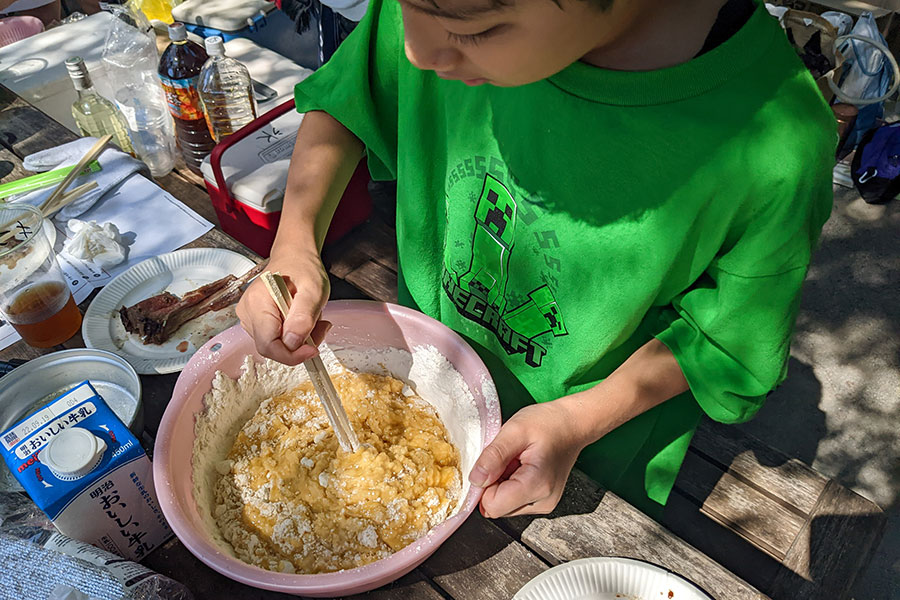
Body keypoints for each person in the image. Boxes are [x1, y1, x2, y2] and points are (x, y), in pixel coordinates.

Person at [236, 0, 835, 518]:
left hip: (583, 454)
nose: (416, 51)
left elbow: (723, 345)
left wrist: (576, 422)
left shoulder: (776, 145)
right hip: (425, 377)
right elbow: (349, 100)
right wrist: (295, 244)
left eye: (476, 31)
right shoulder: (438, 12)